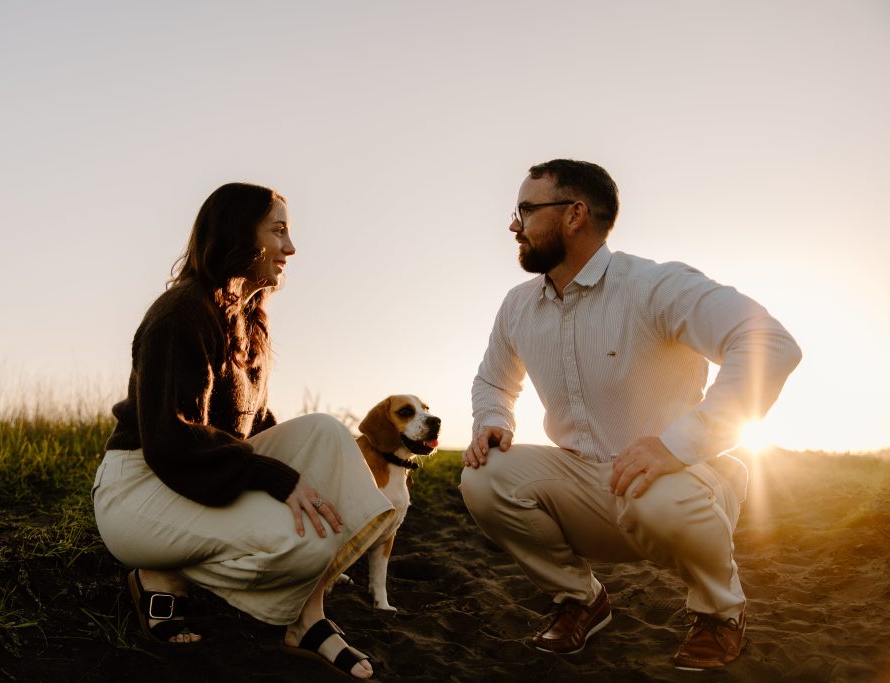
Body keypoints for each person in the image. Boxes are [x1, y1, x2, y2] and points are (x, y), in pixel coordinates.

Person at [459, 160, 801, 671]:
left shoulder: (653, 285)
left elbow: (769, 344)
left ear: (575, 214)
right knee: (483, 477)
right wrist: (493, 419)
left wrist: (678, 444)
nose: (514, 225)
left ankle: (719, 612)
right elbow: (493, 380)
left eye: (526, 210)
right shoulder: (517, 307)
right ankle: (580, 599)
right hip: (583, 484)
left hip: (676, 483)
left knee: (657, 495)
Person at [91, 182, 394, 679]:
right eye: (278, 231)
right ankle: (159, 569)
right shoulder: (181, 315)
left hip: (200, 471)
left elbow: (254, 424)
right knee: (309, 545)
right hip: (141, 487)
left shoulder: (249, 319)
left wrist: (295, 467)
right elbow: (170, 440)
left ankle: (308, 617)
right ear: (238, 234)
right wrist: (276, 478)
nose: (291, 249)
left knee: (325, 432)